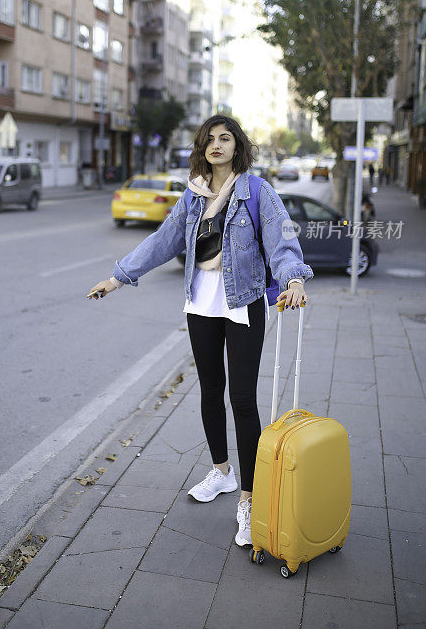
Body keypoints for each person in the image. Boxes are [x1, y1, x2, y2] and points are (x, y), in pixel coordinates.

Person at [87, 116, 313, 548]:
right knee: (211, 390)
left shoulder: (256, 190)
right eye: (209, 139)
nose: (216, 145)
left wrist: (294, 279)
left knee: (242, 400)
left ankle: (249, 500)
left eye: (225, 138)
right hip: (200, 302)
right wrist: (117, 278)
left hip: (242, 299)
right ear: (201, 147)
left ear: (237, 146)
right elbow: (162, 241)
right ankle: (222, 473)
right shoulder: (192, 195)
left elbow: (282, 238)